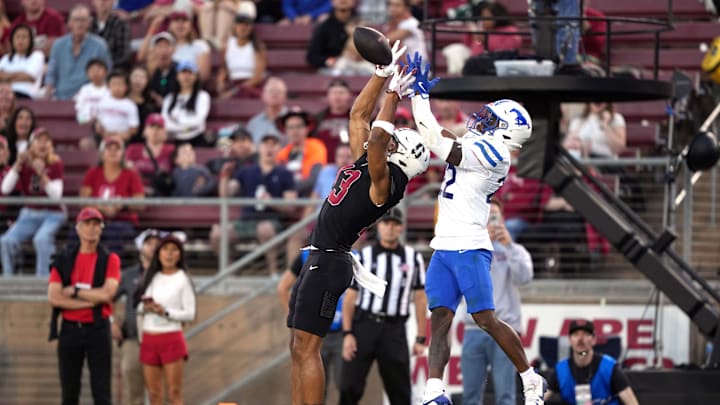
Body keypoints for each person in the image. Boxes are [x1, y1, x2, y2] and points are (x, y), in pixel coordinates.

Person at [287, 41, 430, 405]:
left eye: (398, 142)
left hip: (330, 261)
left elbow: (380, 136)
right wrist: (380, 74)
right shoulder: (371, 163)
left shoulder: (388, 183)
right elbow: (357, 118)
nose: (389, 140)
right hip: (320, 256)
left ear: (403, 157)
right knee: (298, 346)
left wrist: (395, 95)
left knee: (308, 348)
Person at [406, 55, 545, 405]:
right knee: (439, 318)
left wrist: (419, 98)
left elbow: (440, 145)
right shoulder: (482, 143)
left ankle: (530, 379)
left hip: (470, 244)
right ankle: (435, 391)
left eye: (493, 119)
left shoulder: (496, 151)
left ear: (505, 131)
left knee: (484, 318)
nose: (483, 120)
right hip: (445, 244)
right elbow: (443, 138)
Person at [339, 207, 428, 405]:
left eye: (395, 224)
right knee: (349, 387)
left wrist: (421, 337)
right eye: (386, 223)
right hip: (364, 325)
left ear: (401, 228)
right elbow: (350, 298)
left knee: (400, 392)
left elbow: (420, 298)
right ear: (378, 226)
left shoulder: (413, 258)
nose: (390, 228)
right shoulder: (364, 256)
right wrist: (347, 334)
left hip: (394, 330)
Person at [461, 199, 534, 405]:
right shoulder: (469, 248)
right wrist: (480, 243)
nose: (492, 221)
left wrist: (509, 247)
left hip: (505, 328)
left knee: (505, 395)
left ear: (502, 220)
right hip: (474, 328)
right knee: (470, 396)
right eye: (488, 216)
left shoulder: (515, 249)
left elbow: (525, 278)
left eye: (495, 216)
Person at [47, 207, 121, 405]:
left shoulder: (110, 259)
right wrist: (92, 301)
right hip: (70, 330)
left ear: (101, 229)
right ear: (78, 228)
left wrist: (77, 292)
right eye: (87, 224)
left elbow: (108, 293)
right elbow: (55, 298)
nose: (91, 229)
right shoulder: (63, 260)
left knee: (102, 392)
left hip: (98, 330)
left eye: (96, 224)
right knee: (69, 393)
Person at [210, 132, 297, 277]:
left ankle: (273, 273)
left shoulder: (285, 173)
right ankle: (230, 271)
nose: (269, 149)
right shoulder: (246, 170)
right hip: (246, 220)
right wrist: (224, 177)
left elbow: (291, 205)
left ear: (279, 149)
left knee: (265, 229)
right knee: (217, 234)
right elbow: (226, 194)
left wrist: (272, 202)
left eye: (273, 145)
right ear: (258, 148)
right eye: (265, 144)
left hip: (271, 220)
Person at [135, 234, 196, 405]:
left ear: (179, 254)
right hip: (149, 338)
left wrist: (166, 312)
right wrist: (146, 307)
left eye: (173, 250)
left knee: (174, 393)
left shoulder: (183, 279)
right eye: (165, 250)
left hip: (170, 337)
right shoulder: (151, 277)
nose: (169, 254)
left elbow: (190, 313)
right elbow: (138, 306)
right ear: (159, 254)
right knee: (154, 394)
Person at [278, 248, 346, 402]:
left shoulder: (351, 257)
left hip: (340, 330)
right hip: (314, 328)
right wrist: (295, 319)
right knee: (312, 383)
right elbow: (282, 287)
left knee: (346, 385)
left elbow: (339, 295)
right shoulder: (306, 256)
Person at [0, 127, 65, 277]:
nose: (42, 144)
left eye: (46, 141)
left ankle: (42, 281)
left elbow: (56, 196)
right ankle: (9, 279)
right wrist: (17, 166)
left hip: (53, 213)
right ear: (31, 145)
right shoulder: (23, 163)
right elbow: (5, 188)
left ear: (51, 145)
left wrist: (42, 174)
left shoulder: (56, 163)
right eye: (38, 141)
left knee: (41, 239)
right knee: (6, 241)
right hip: (29, 212)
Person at [112, 228, 162, 405]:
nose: (153, 248)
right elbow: (107, 299)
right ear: (141, 247)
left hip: (160, 337)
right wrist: (112, 322)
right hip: (133, 338)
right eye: (149, 244)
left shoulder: (169, 275)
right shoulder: (128, 275)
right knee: (133, 388)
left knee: (159, 391)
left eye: (157, 245)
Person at [544, 320, 640, 405]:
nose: (580, 339)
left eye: (585, 334)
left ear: (594, 340)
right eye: (576, 334)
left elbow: (632, 402)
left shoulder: (609, 368)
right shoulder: (561, 370)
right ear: (570, 340)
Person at [44, 4, 113, 100]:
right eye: (76, 20)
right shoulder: (58, 45)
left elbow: (107, 74)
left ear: (89, 23)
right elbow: (51, 75)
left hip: (90, 98)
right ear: (69, 23)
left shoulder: (100, 46)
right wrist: (47, 97)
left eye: (83, 20)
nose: (80, 24)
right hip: (61, 97)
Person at [161, 60, 212, 147]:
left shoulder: (203, 96)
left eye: (190, 73)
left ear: (196, 76)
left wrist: (177, 121)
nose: (186, 76)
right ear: (177, 76)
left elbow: (198, 120)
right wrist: (185, 127)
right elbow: (165, 122)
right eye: (183, 73)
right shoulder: (169, 98)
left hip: (197, 139)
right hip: (175, 140)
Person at [0, 24, 46, 99]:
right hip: (4, 95)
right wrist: (20, 74)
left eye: (24, 37)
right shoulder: (6, 58)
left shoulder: (37, 56)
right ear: (12, 40)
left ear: (30, 40)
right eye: (17, 37)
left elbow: (29, 76)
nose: (20, 40)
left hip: (26, 95)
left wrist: (5, 77)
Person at [91, 0, 131, 70]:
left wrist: (103, 67)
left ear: (113, 2)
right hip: (89, 71)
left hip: (113, 71)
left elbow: (124, 55)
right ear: (93, 1)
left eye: (106, 0)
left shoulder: (121, 24)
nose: (102, 2)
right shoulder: (88, 25)